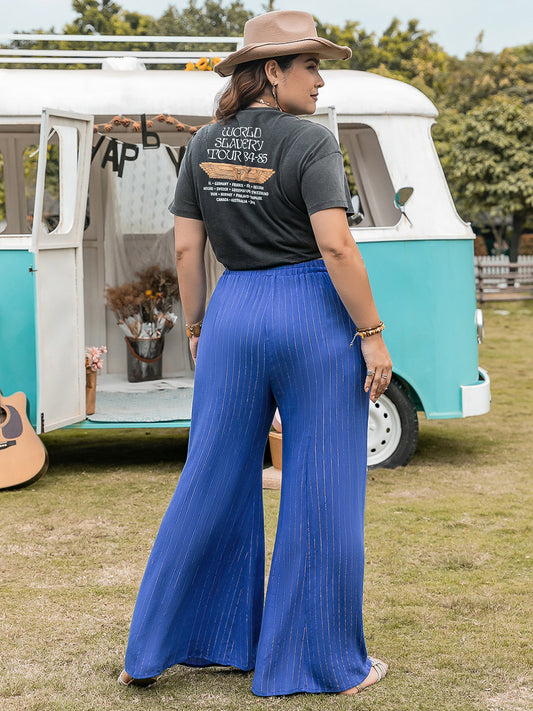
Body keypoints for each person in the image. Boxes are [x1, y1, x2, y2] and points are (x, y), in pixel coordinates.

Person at [119, 10, 392, 697]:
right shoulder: (311, 140)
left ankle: (155, 649)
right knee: (322, 487)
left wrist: (197, 324)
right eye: (311, 65)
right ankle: (314, 662)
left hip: (233, 313)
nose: (321, 80)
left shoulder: (204, 141)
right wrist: (371, 333)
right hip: (310, 315)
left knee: (209, 477)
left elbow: (187, 248)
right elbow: (336, 245)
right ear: (272, 71)